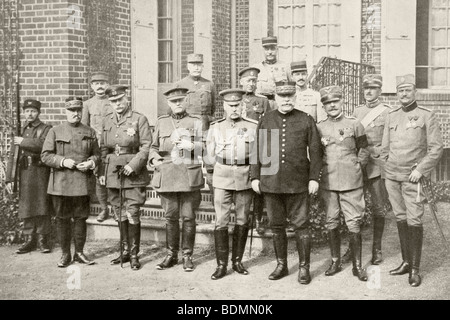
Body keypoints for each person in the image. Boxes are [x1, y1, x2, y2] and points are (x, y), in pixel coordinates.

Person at [251, 81, 323, 284]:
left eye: (290, 96)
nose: (287, 100)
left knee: (301, 226)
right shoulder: (267, 119)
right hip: (272, 182)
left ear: (295, 97)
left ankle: (304, 267)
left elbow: (316, 152)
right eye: (282, 97)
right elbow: (258, 149)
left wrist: (313, 178)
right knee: (276, 226)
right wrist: (255, 176)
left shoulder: (306, 119)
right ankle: (281, 265)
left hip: (298, 182)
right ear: (276, 98)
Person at [381, 74, 443, 287]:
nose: (404, 94)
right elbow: (384, 147)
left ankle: (415, 270)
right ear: (396, 93)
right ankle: (406, 262)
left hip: (412, 178)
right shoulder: (392, 115)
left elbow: (436, 148)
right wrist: (386, 166)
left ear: (415, 91)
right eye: (400, 90)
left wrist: (422, 170)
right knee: (400, 218)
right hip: (392, 176)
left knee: (414, 220)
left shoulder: (427, 115)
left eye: (408, 90)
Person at [316, 86, 370, 282]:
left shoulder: (355, 124)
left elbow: (364, 149)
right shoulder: (319, 127)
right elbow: (316, 153)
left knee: (353, 222)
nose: (332, 105)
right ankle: (335, 261)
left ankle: (357, 266)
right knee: (331, 221)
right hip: (329, 182)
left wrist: (357, 165)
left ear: (342, 102)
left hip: (351, 181)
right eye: (327, 103)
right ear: (324, 106)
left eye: (335, 102)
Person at [149, 87, 204, 272]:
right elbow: (153, 146)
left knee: (188, 217)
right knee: (170, 217)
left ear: (186, 101)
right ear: (168, 103)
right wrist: (154, 157)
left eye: (181, 100)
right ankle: (171, 255)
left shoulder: (196, 121)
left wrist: (192, 145)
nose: (178, 104)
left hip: (188, 174)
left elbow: (207, 147)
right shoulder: (162, 122)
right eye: (174, 101)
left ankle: (187, 255)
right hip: (167, 174)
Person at [206, 89, 258, 280]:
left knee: (243, 219)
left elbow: (258, 154)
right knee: (221, 221)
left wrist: (255, 178)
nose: (234, 109)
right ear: (224, 106)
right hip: (221, 176)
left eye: (237, 105)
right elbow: (209, 154)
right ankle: (221, 265)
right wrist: (211, 175)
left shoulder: (253, 126)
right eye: (230, 105)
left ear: (242, 105)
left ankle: (237, 261)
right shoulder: (216, 127)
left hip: (244, 176)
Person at [41, 97, 100, 268]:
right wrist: (62, 161)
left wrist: (91, 162)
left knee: (81, 218)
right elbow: (45, 155)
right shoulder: (55, 131)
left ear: (82, 111)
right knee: (62, 219)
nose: (75, 113)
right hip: (61, 184)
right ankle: (65, 254)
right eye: (72, 110)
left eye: (78, 110)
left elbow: (97, 155)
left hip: (82, 183)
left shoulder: (89, 131)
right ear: (65, 111)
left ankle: (79, 253)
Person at [99, 85, 152, 271]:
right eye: (113, 101)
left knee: (132, 212)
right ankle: (124, 252)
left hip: (133, 172)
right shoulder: (107, 121)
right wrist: (102, 172)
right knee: (118, 211)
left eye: (120, 100)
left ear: (126, 98)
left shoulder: (139, 119)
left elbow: (146, 147)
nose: (117, 104)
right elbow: (104, 148)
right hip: (113, 171)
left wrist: (133, 165)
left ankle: (135, 254)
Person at [342, 74, 391, 266]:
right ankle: (351, 249)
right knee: (353, 208)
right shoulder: (357, 111)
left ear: (380, 90)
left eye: (373, 88)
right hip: (359, 165)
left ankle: (376, 249)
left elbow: (389, 142)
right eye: (366, 88)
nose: (369, 92)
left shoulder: (387, 112)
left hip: (377, 166)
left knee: (379, 208)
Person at [5, 99, 53, 254]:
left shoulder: (46, 129)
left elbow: (44, 145)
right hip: (25, 172)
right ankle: (29, 239)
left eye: (33, 111)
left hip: (40, 171)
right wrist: (9, 178)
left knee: (42, 204)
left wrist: (23, 141)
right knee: (27, 205)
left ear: (38, 112)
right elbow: (13, 155)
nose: (30, 114)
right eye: (27, 111)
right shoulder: (22, 129)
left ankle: (42, 240)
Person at [239, 66, 271, 235]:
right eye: (248, 81)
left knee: (257, 183)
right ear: (241, 82)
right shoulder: (236, 99)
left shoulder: (263, 101)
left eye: (254, 81)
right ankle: (243, 218)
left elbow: (269, 124)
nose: (251, 84)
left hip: (258, 145)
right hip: (240, 147)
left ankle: (258, 219)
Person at [81, 71, 113, 223]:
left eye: (103, 83)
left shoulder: (113, 101)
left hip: (113, 145)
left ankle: (117, 207)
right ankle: (104, 208)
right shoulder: (87, 104)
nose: (100, 86)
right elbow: (84, 127)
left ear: (107, 85)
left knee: (113, 174)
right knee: (99, 176)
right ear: (92, 86)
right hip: (97, 146)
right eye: (96, 84)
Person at [175, 53, 216, 131]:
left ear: (202, 67)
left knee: (204, 142)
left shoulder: (209, 84)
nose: (196, 68)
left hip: (205, 123)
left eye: (199, 65)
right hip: (187, 123)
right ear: (188, 67)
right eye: (193, 65)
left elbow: (213, 107)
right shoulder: (180, 84)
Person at [252, 36, 292, 104]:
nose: (270, 52)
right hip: (261, 104)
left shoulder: (285, 67)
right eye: (267, 49)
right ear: (263, 50)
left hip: (280, 104)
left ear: (277, 49)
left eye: (272, 49)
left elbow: (293, 88)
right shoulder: (256, 68)